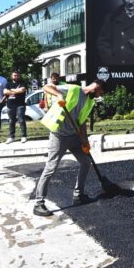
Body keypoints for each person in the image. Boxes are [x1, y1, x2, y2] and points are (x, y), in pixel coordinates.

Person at [33, 80, 105, 217]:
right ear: (96, 87)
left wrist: (85, 141)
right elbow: (47, 87)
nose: (99, 95)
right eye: (100, 92)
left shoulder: (90, 102)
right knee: (51, 168)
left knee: (85, 161)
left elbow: (82, 122)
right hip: (59, 135)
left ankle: (78, 195)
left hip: (74, 136)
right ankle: (38, 204)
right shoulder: (73, 89)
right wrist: (59, 96)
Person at [4, 71, 28, 144]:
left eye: (17, 75)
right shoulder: (8, 83)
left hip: (20, 105)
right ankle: (11, 137)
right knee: (11, 121)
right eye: (14, 75)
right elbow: (5, 92)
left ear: (19, 76)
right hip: (10, 105)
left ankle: (23, 136)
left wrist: (11, 90)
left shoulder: (22, 83)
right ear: (12, 76)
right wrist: (16, 91)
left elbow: (22, 90)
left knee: (21, 120)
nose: (16, 77)